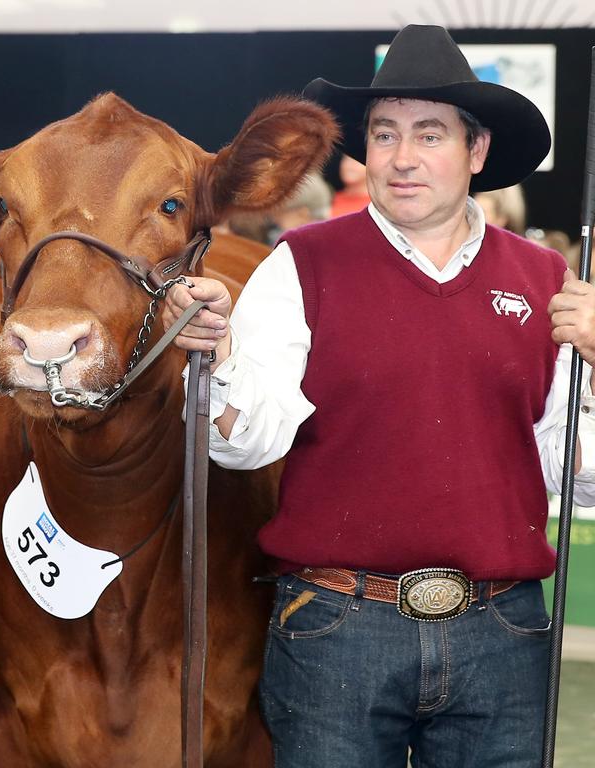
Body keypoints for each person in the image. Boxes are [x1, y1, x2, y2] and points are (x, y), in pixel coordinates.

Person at [162, 24, 595, 768]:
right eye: (384, 133)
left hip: (505, 630)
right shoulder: (300, 263)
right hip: (337, 628)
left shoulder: (548, 281)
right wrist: (221, 353)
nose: (401, 157)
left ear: (477, 151)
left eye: (430, 134)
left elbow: (576, 477)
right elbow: (249, 441)